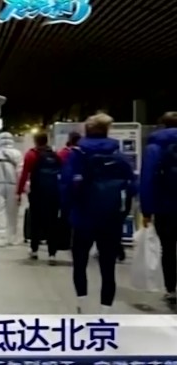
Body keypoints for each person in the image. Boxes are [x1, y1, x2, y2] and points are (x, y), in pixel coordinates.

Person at [61, 113, 135, 313]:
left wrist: (67, 211)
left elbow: (67, 185)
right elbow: (131, 185)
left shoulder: (78, 154)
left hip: (83, 216)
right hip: (111, 218)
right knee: (108, 266)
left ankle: (82, 305)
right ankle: (106, 310)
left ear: (87, 131)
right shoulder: (118, 155)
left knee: (80, 262)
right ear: (107, 130)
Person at [140, 111, 177, 305]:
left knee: (168, 248)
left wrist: (146, 211)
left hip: (165, 206)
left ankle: (171, 289)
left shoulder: (155, 147)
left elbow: (147, 179)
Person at [17, 131, 62, 263]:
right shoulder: (55, 155)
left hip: (37, 193)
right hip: (53, 193)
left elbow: (24, 174)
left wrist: (19, 192)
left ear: (35, 141)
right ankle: (52, 253)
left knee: (35, 221)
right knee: (52, 222)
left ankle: (34, 250)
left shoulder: (32, 154)